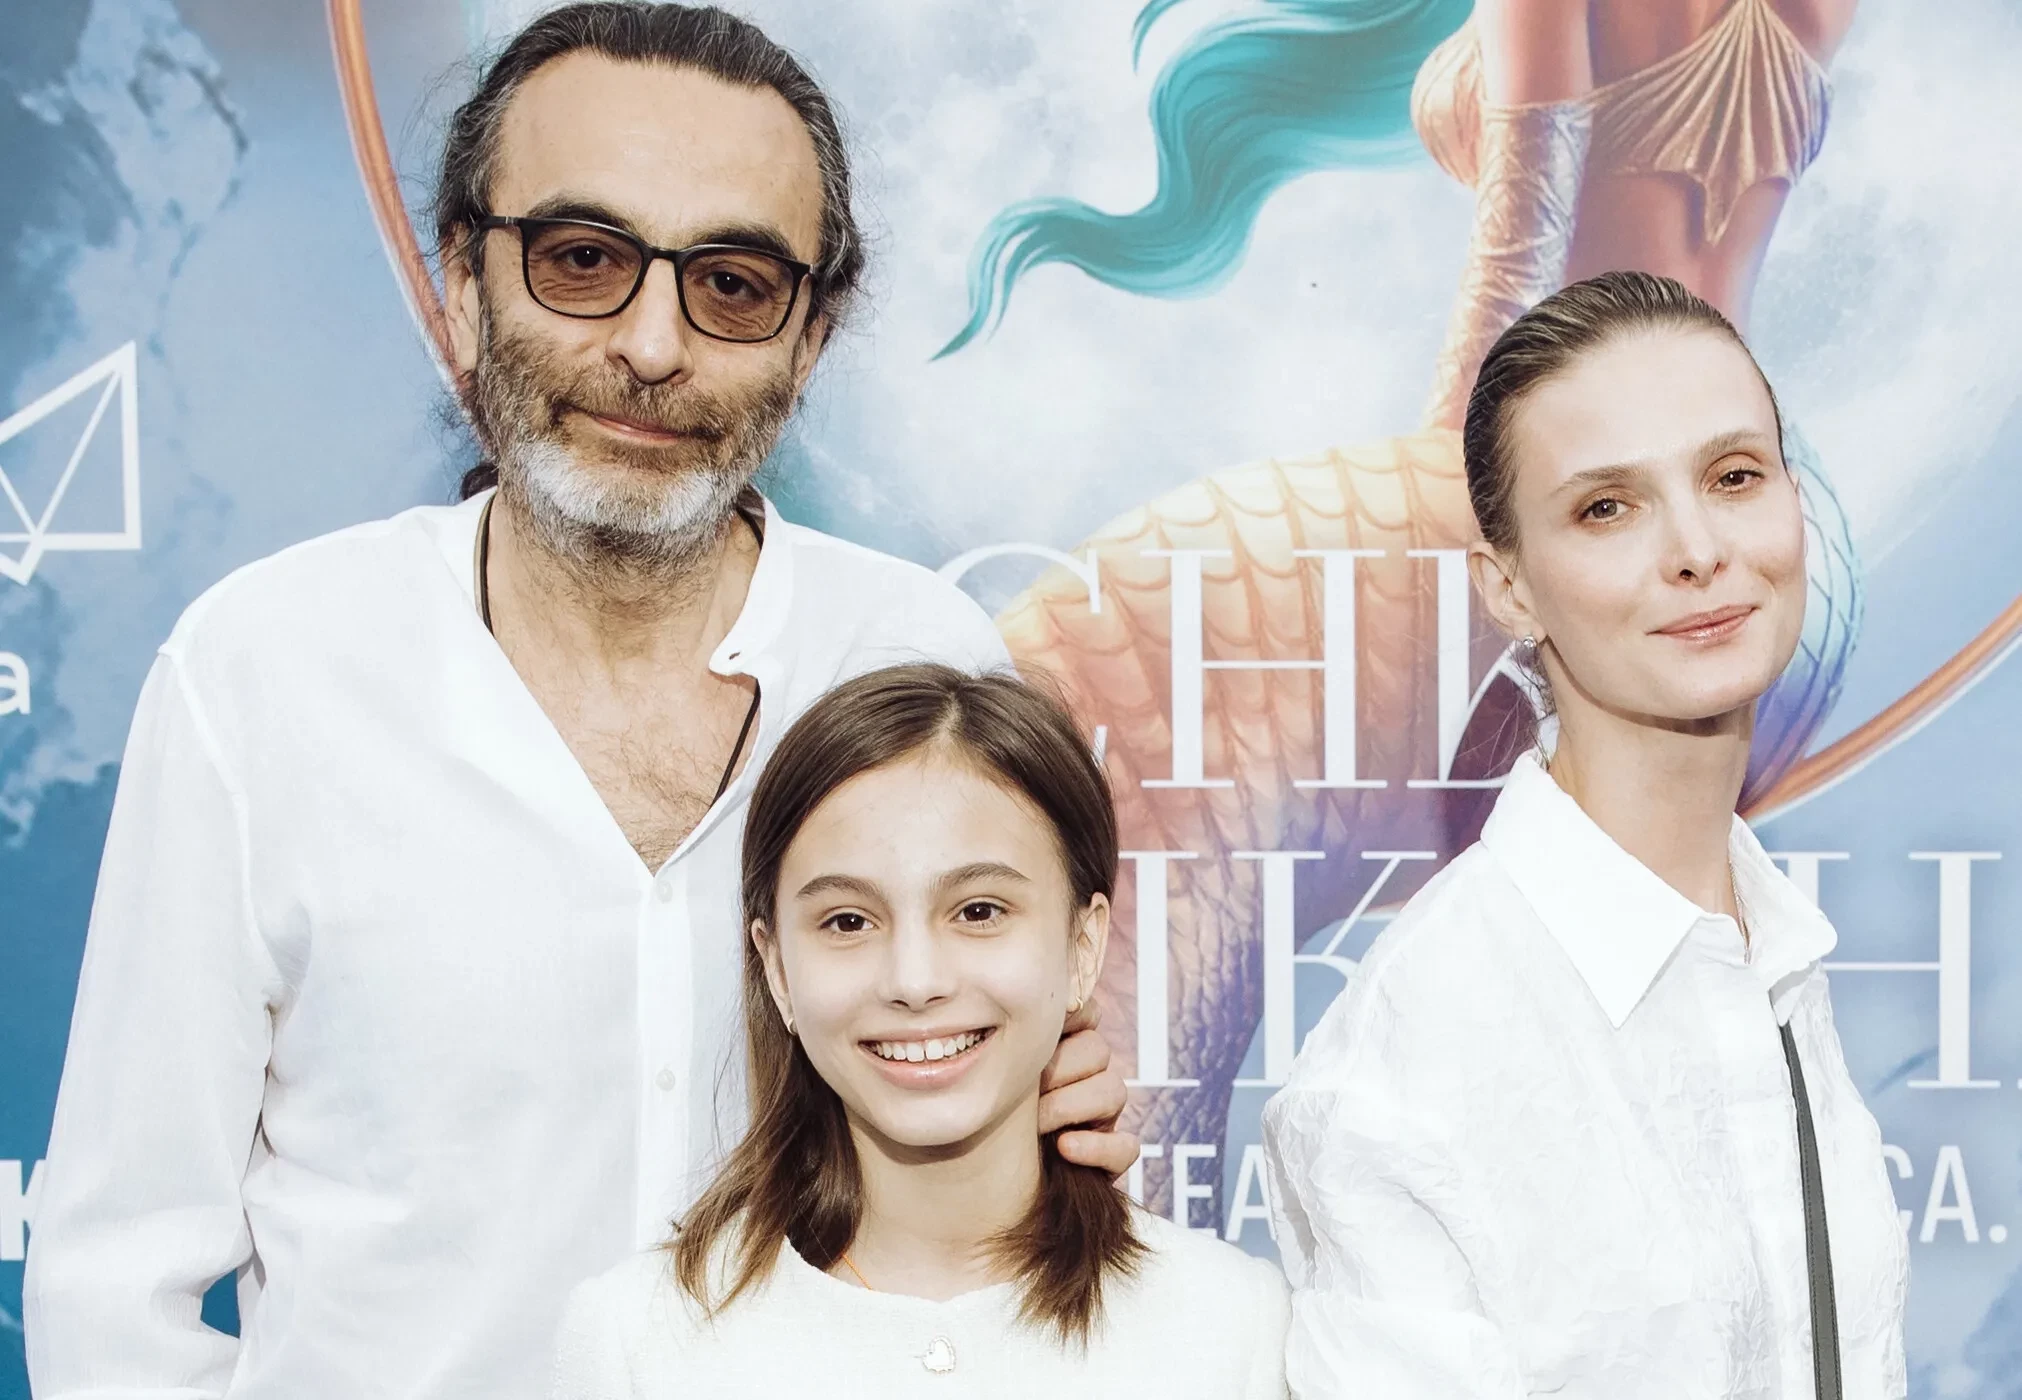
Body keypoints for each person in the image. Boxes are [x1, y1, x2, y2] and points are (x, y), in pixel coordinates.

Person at [23, 7, 1131, 1398]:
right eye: (584, 260)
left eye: (733, 284)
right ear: (463, 281)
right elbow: (116, 1284)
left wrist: (1047, 1122)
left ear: (810, 339)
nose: (653, 345)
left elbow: (1022, 1144)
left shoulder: (918, 658)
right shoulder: (263, 671)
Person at [930, 0, 1864, 1165]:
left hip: (1589, 516)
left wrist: (1476, 506)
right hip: (1766, 531)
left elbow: (1526, 239)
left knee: (1112, 676)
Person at [1262, 270, 1908, 1397]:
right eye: (1607, 507)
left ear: (1794, 503)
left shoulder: (1777, 953)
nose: (1697, 548)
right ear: (1509, 589)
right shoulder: (1412, 1068)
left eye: (1734, 476)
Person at [550, 663, 1289, 1397]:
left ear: (1083, 945)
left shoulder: (1230, 1330)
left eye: (978, 911)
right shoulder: (640, 1343)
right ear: (776, 969)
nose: (914, 980)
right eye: (848, 921)